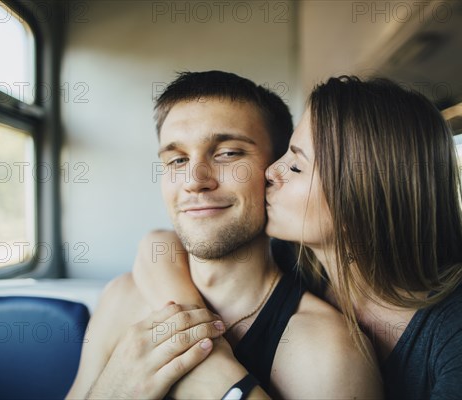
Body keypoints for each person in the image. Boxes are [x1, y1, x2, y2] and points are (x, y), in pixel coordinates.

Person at [135, 75, 462, 398]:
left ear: (361, 193)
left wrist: (223, 381)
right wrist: (198, 338)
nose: (270, 173)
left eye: (295, 167)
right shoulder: (293, 263)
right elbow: (159, 247)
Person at [67, 71, 382, 399]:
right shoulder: (120, 298)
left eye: (228, 153)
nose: (194, 180)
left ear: (275, 171)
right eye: (177, 159)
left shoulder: (328, 352)